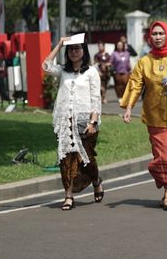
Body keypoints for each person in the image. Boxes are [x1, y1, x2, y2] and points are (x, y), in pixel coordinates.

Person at [121, 20, 167, 211]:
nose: (158, 37)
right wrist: (129, 108)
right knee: (159, 154)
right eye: (154, 34)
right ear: (150, 37)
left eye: (161, 33)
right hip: (153, 115)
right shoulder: (144, 61)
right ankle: (158, 171)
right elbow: (135, 84)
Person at [42, 37, 103, 210]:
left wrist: (93, 121)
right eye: (70, 49)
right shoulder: (63, 71)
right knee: (66, 160)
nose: (74, 52)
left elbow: (95, 99)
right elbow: (46, 66)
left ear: (84, 51)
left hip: (85, 121)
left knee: (86, 159)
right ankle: (68, 195)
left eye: (77, 48)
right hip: (65, 122)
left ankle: (96, 180)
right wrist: (60, 44)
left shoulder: (91, 72)